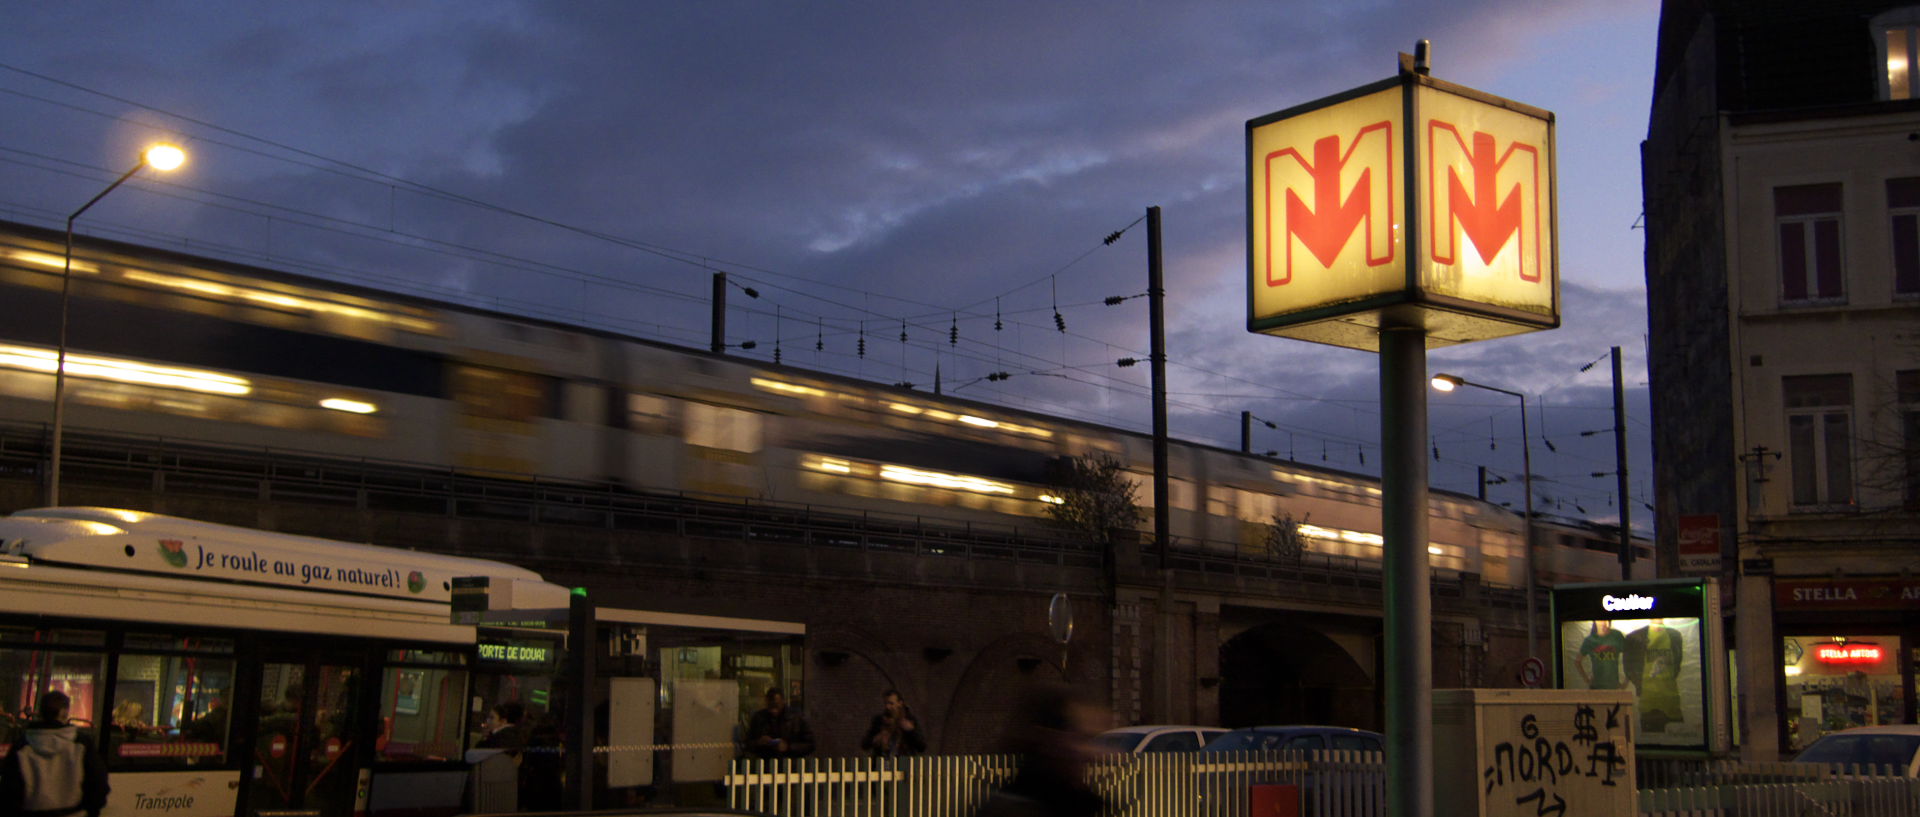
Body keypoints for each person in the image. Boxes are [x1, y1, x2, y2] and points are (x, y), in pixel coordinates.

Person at [974, 684, 1106, 817]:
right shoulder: (1016, 809)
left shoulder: (1079, 803)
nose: (1091, 753)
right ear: (1050, 739)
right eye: (1081, 738)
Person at [1, 691, 110, 817]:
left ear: (41, 713)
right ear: (64, 712)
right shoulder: (81, 744)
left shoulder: (22, 747)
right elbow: (98, 784)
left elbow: (9, 793)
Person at [745, 690, 814, 759]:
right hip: (765, 764)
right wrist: (759, 742)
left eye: (776, 705)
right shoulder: (759, 717)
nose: (773, 709)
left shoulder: (797, 718)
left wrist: (788, 747)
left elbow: (810, 745)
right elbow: (747, 744)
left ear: (783, 701)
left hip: (791, 764)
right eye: (770, 705)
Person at [861, 689, 927, 757]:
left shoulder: (909, 720)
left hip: (903, 764)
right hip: (882, 763)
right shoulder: (879, 721)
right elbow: (864, 744)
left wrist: (911, 731)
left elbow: (921, 747)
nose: (888, 707)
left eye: (891, 703)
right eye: (886, 703)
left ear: (900, 703)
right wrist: (875, 739)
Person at [1576, 620, 1628, 690]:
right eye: (1600, 620)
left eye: (1606, 620)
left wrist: (1626, 681)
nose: (1604, 623)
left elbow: (1631, 657)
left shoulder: (1617, 636)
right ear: (1595, 622)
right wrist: (1586, 679)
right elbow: (1577, 661)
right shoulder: (1590, 640)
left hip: (1614, 687)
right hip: (1596, 688)